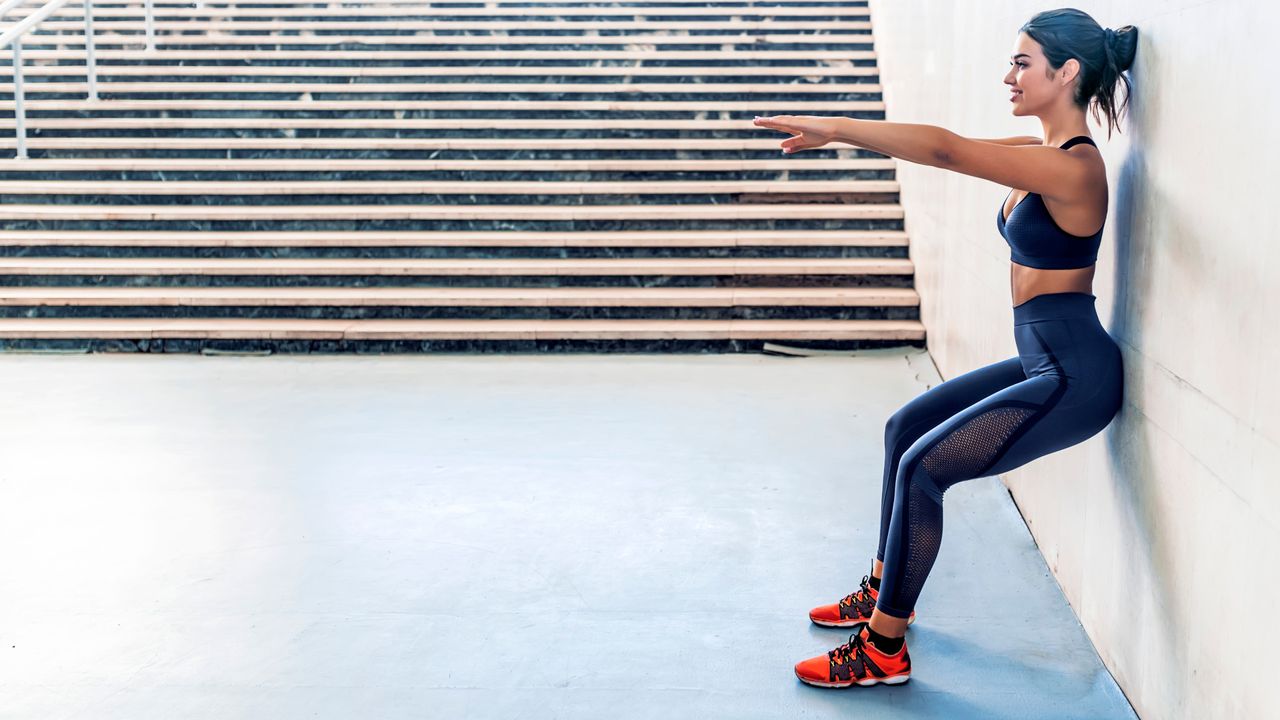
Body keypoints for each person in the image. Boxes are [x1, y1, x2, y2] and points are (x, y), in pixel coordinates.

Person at [753, 9, 1140, 689]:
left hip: (1076, 376)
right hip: (1045, 360)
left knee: (924, 468)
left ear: (1067, 71)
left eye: (1023, 62)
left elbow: (944, 150)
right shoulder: (1039, 156)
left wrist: (837, 128)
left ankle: (883, 648)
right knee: (904, 428)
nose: (1009, 76)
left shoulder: (1076, 171)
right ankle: (880, 592)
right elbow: (955, 141)